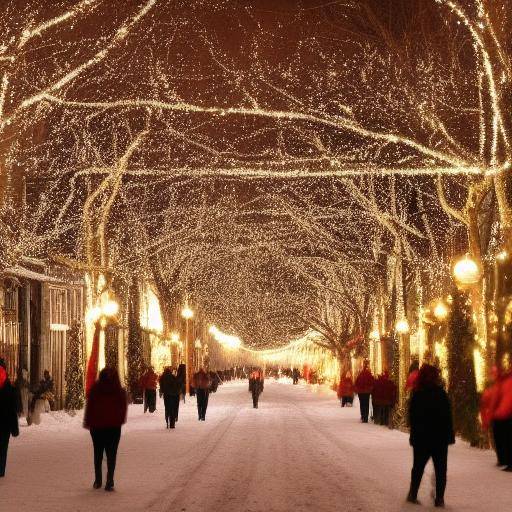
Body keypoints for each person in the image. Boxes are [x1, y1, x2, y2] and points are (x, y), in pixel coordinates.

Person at [407, 364, 454, 508]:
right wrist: (449, 435)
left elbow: (412, 418)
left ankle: (413, 494)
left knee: (418, 467)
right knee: (441, 469)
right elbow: (447, 417)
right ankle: (439, 499)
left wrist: (414, 435)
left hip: (422, 438)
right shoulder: (441, 394)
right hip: (439, 438)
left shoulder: (417, 394)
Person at [84, 368, 127, 491]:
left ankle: (98, 480)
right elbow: (122, 409)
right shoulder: (119, 391)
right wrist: (119, 420)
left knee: (97, 453)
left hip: (97, 427)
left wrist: (88, 422)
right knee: (111, 454)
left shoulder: (95, 389)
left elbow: (90, 407)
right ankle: (110, 480)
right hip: (113, 428)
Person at [0, 359, 19, 477]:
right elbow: (12, 410)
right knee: (3, 448)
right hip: (5, 424)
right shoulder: (9, 388)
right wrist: (14, 428)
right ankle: (1, 470)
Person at [491, 368, 512, 471]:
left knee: (506, 439)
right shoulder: (504, 382)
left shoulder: (506, 382)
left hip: (505, 415)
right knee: (505, 439)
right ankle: (505, 460)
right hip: (503, 414)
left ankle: (506, 461)